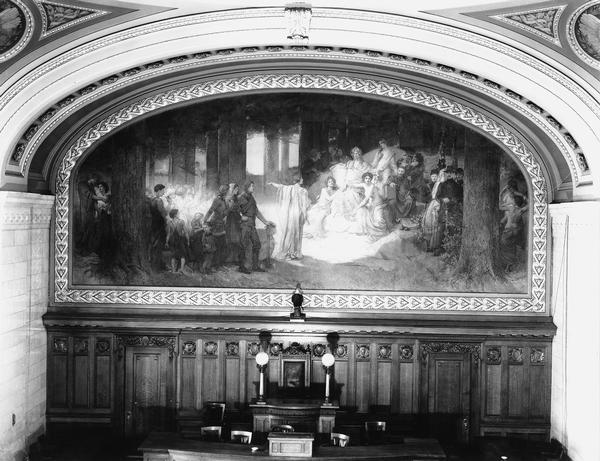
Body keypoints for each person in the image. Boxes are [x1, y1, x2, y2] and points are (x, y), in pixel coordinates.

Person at [269, 176, 310, 260]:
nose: (303, 180)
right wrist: (305, 216)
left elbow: (280, 187)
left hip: (290, 213)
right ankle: (294, 252)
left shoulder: (289, 188)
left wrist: (273, 184)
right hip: (298, 212)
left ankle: (287, 252)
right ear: (300, 181)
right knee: (297, 232)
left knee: (289, 232)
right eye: (302, 179)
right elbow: (304, 205)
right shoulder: (303, 191)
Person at [238, 181, 274, 273]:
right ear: (247, 187)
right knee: (243, 246)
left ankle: (255, 266)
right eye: (251, 186)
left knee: (257, 244)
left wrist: (265, 221)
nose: (253, 188)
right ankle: (242, 267)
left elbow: (256, 211)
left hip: (252, 225)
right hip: (245, 226)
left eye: (253, 186)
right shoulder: (240, 198)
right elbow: (234, 211)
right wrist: (241, 217)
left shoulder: (252, 198)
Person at [204, 185, 228, 269]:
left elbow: (224, 213)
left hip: (221, 225)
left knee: (222, 245)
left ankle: (219, 264)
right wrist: (205, 221)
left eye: (226, 191)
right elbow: (210, 210)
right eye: (225, 191)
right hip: (216, 224)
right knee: (217, 246)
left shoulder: (224, 200)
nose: (226, 192)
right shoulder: (217, 200)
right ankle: (214, 265)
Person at [149, 184, 168, 271]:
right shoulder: (159, 200)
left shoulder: (152, 199)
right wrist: (166, 222)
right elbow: (163, 213)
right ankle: (157, 267)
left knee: (154, 244)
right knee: (159, 245)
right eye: (163, 190)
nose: (164, 192)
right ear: (159, 191)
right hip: (160, 224)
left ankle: (155, 265)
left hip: (154, 223)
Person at [166, 208, 189, 273]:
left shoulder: (169, 222)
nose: (179, 214)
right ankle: (181, 269)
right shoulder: (181, 221)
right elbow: (186, 232)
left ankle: (173, 270)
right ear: (175, 215)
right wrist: (188, 241)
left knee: (173, 256)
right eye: (178, 213)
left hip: (172, 240)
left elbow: (168, 234)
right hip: (180, 240)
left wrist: (167, 242)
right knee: (182, 255)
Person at [225, 183, 242, 265]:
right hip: (230, 220)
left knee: (237, 239)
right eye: (235, 189)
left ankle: (236, 258)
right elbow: (229, 210)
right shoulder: (229, 198)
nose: (237, 191)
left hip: (236, 220)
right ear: (231, 189)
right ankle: (230, 258)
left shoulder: (236, 198)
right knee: (231, 239)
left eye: (237, 189)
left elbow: (238, 209)